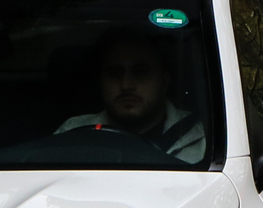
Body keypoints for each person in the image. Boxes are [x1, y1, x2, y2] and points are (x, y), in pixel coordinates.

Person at [58, 32, 205, 162]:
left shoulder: (203, 141)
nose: (126, 85)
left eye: (141, 72)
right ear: (101, 81)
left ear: (164, 82)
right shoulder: (73, 134)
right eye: (114, 73)